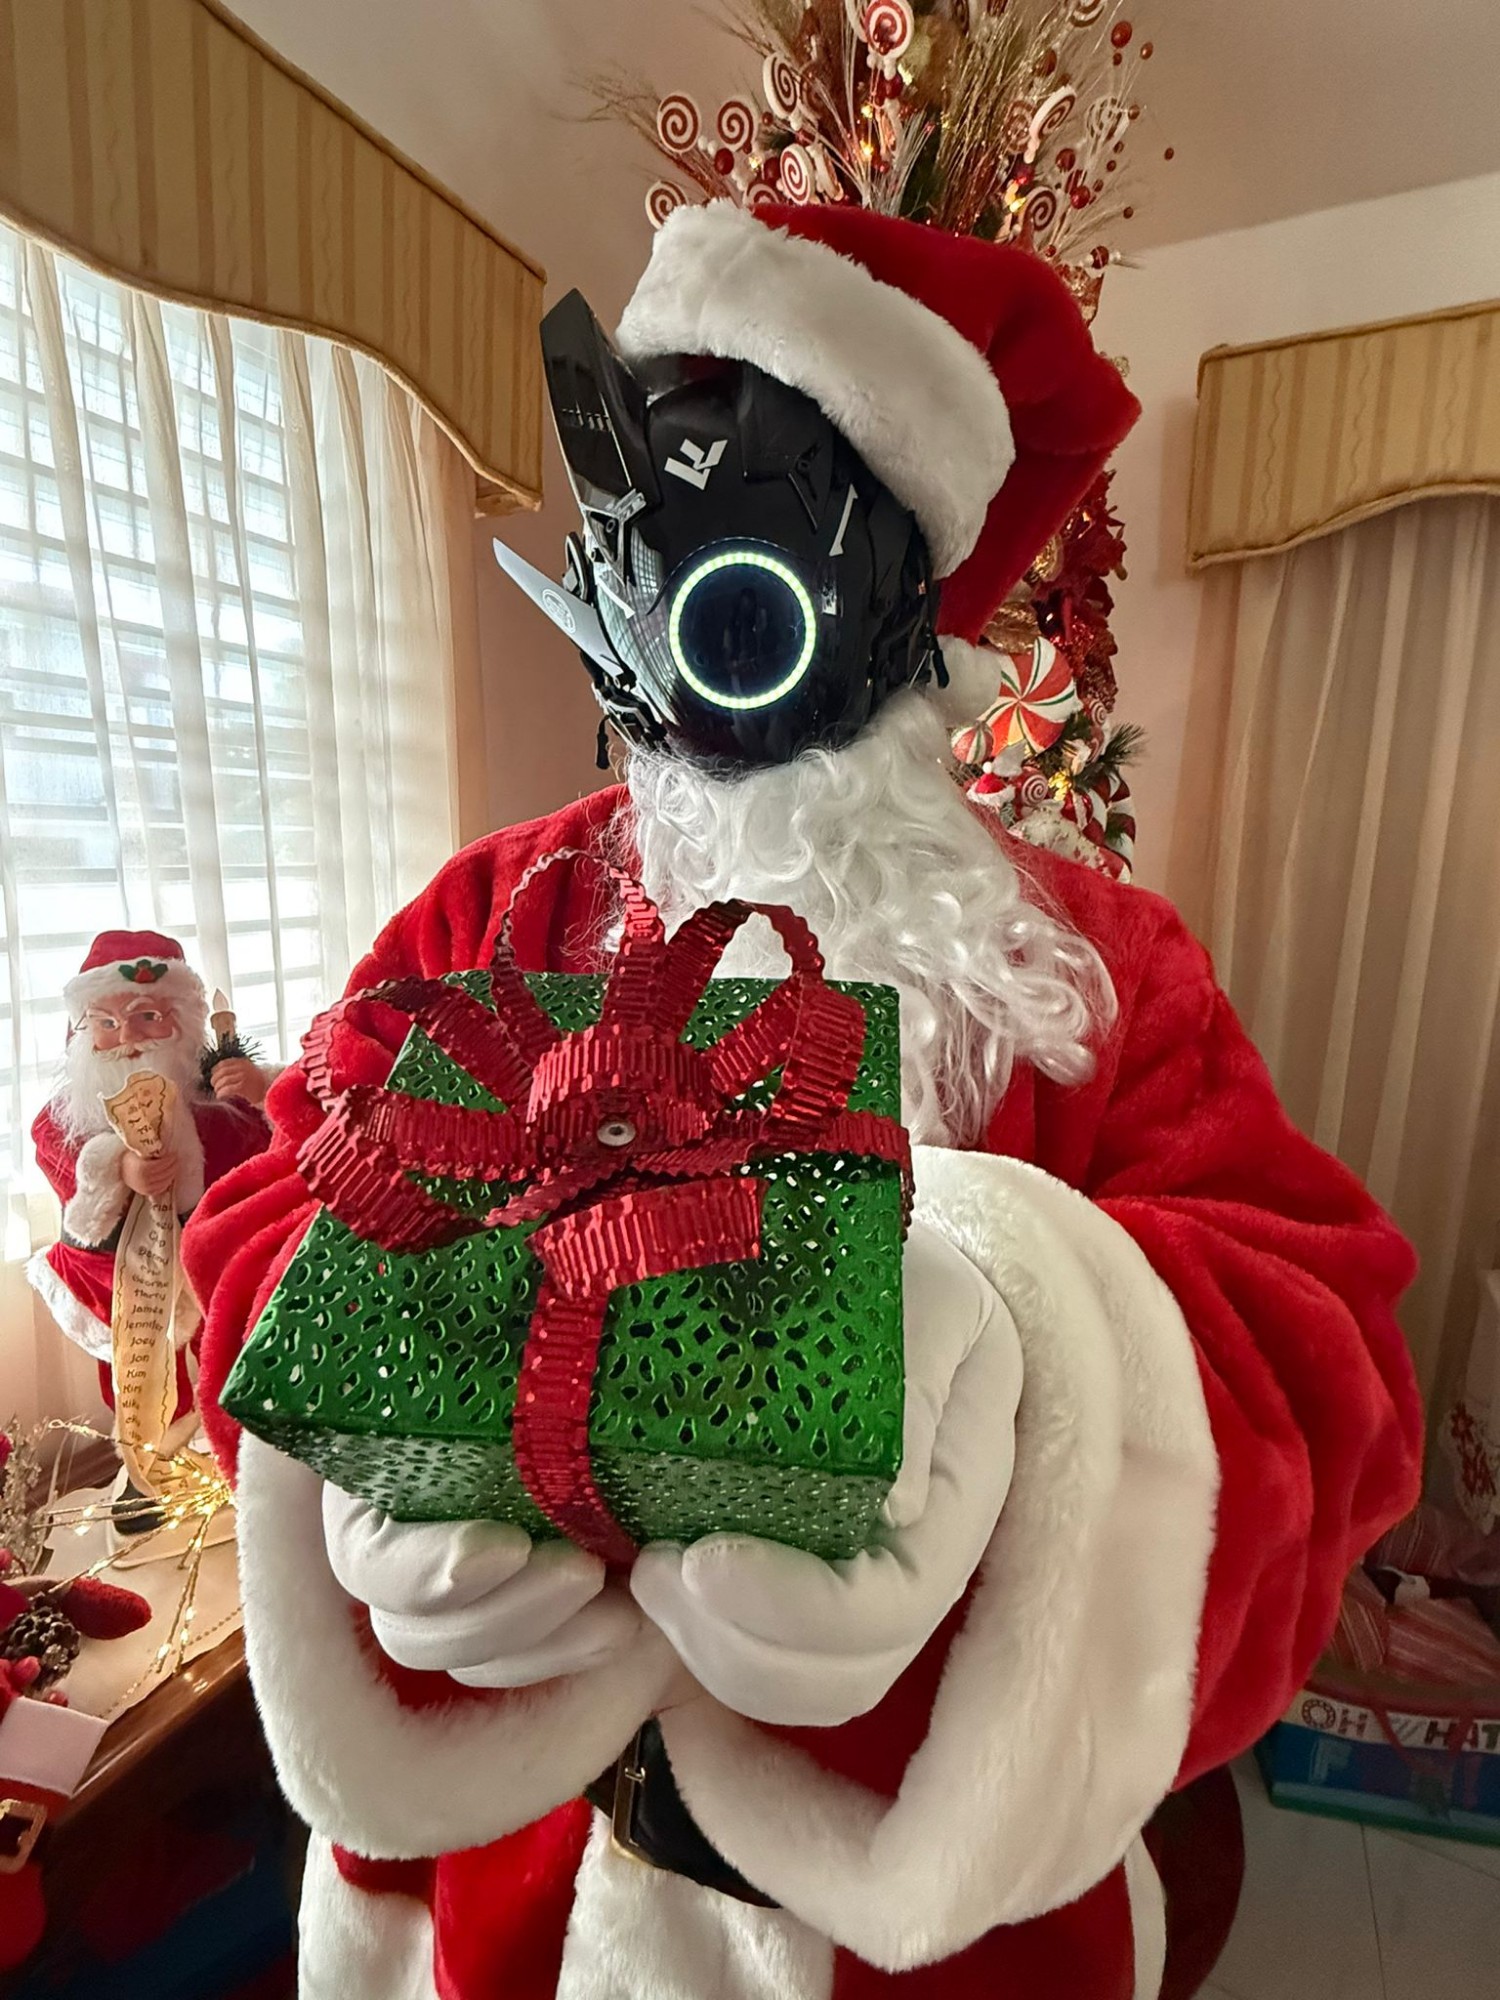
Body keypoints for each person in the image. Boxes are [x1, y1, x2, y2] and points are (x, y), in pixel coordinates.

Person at [182, 203, 1421, 2000]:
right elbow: (260, 1222)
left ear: (904, 590)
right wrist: (360, 1424)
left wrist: (1024, 1390)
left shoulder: (1094, 973)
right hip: (512, 1904)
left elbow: (1329, 1379)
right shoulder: (492, 916)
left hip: (918, 1929)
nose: (714, 631)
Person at [29, 930, 274, 1416]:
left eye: (147, 1017)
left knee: (230, 1354)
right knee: (139, 1378)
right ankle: (155, 1452)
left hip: (212, 1265)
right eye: (107, 1022)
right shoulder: (69, 1114)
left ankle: (230, 1435)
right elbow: (54, 1150)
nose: (127, 1038)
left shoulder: (213, 1105)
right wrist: (117, 1166)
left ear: (180, 1020)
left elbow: (265, 1147)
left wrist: (259, 1090)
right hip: (118, 1274)